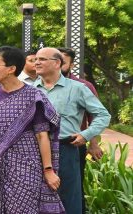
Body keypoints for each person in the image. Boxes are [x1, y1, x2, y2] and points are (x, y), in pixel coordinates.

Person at [0, 46, 65, 214]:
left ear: (11, 69)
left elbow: (42, 136)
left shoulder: (33, 96)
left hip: (25, 168)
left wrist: (48, 170)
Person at [34, 47, 111, 214]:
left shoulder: (78, 88)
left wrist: (86, 135)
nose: (37, 62)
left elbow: (103, 115)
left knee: (69, 197)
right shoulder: (30, 90)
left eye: (42, 59)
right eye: (35, 59)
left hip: (66, 148)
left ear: (56, 63)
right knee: (36, 199)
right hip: (34, 150)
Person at [58, 47, 104, 213]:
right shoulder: (38, 86)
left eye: (62, 62)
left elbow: (94, 116)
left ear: (71, 64)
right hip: (45, 146)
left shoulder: (83, 86)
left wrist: (92, 142)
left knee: (74, 188)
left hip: (74, 144)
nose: (58, 65)